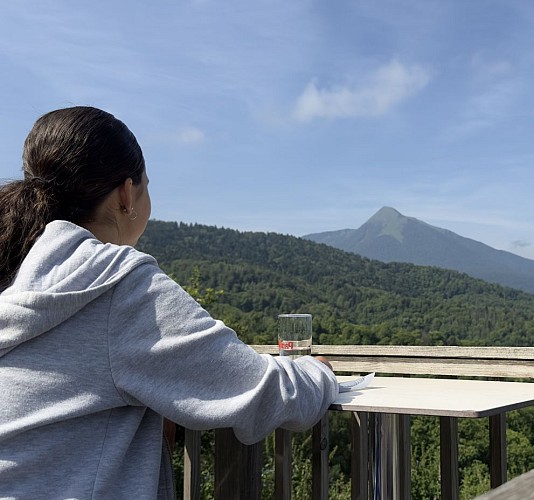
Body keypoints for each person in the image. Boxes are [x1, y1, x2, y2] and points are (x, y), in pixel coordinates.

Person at [0, 106, 339, 499]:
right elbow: (263, 392)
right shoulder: (113, 282)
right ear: (127, 194)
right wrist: (319, 373)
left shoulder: (14, 274)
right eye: (148, 185)